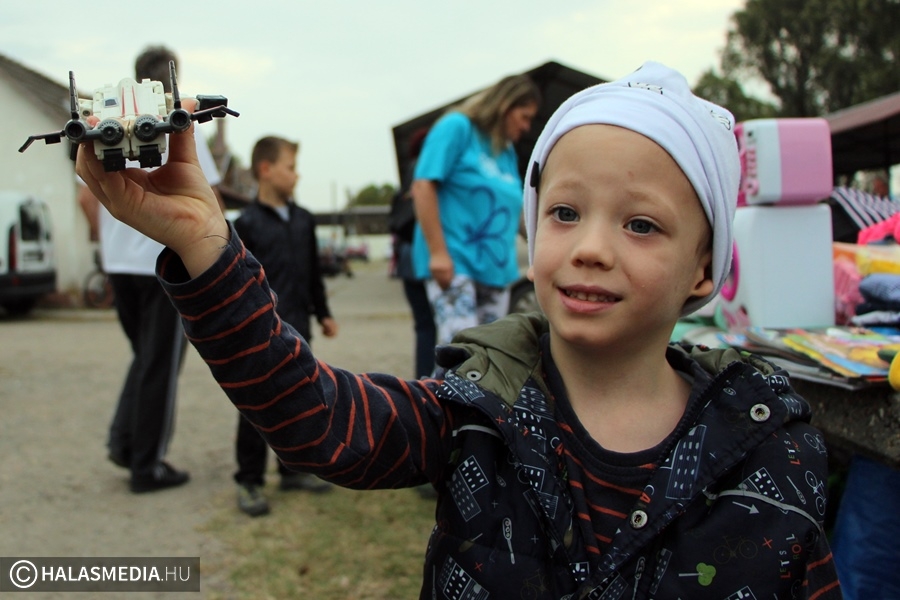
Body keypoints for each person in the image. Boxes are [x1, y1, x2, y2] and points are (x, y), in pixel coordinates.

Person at [76, 62, 842, 598]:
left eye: (641, 224)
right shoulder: (476, 410)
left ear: (705, 268)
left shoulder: (768, 448)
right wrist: (207, 249)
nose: (590, 247)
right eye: (564, 212)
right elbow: (317, 418)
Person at [76, 44, 222, 494]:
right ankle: (147, 465)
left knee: (144, 358)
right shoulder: (175, 118)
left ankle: (124, 443)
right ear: (170, 78)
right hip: (160, 265)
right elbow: (206, 195)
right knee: (161, 365)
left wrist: (108, 244)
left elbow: (85, 196)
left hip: (120, 266)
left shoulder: (109, 118)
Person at [231, 136, 337, 516]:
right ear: (266, 170)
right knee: (256, 404)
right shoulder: (245, 225)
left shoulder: (304, 220)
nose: (296, 175)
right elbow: (240, 282)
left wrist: (323, 313)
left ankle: (293, 471)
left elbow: (313, 274)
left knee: (298, 399)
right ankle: (249, 479)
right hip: (260, 332)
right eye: (290, 167)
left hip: (299, 327)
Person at [411, 74, 540, 346]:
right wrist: (438, 253)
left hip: (496, 271)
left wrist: (544, 247)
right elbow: (423, 186)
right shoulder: (457, 127)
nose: (526, 127)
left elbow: (515, 209)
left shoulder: (505, 150)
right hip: (457, 261)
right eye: (524, 117)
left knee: (488, 354)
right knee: (460, 351)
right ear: (505, 106)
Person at [389, 127, 436, 379]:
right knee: (433, 323)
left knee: (423, 325)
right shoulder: (427, 168)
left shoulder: (408, 172)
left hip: (406, 257)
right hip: (423, 252)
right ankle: (434, 380)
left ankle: (423, 379)